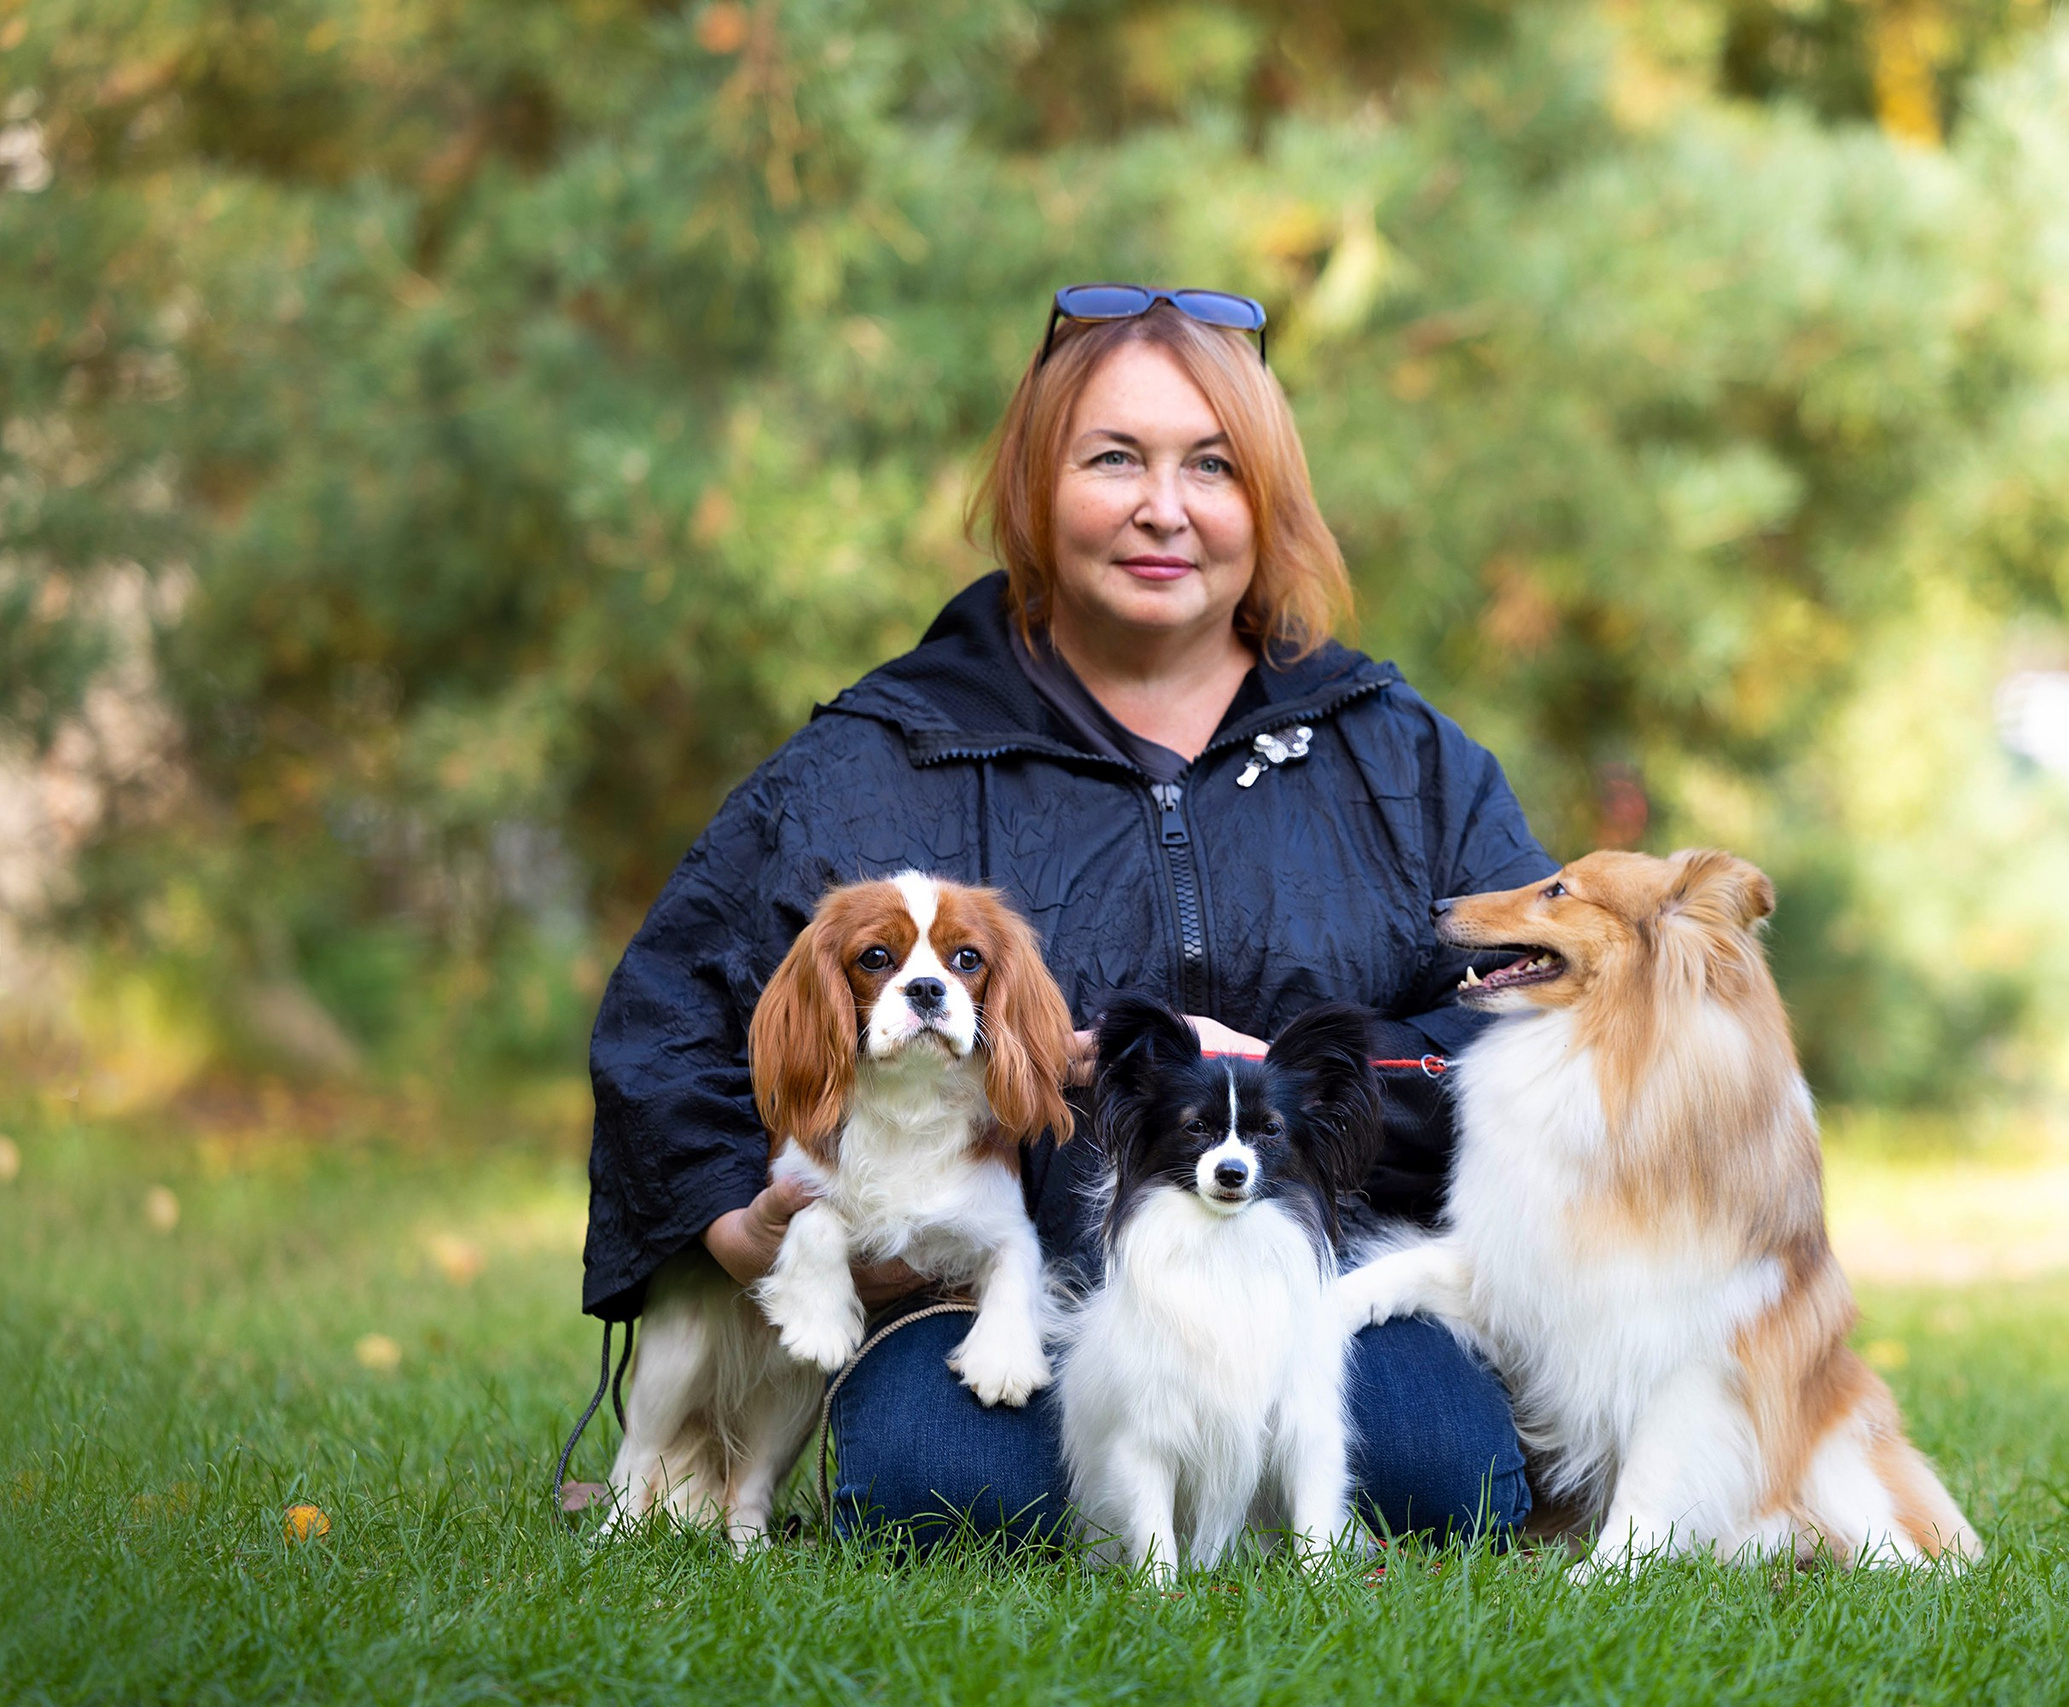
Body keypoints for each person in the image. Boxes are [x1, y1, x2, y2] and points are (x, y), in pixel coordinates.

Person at [582, 284, 1556, 1547]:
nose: (1165, 507)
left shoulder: (1393, 750)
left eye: (1212, 464)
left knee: (1440, 1470)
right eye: (1115, 459)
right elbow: (668, 1017)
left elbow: (1540, 1012)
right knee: (939, 1480)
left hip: (1309, 1279)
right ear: (1038, 486)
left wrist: (1313, 1079)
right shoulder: (888, 750)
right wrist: (731, 1225)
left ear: (1267, 500)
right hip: (999, 1291)